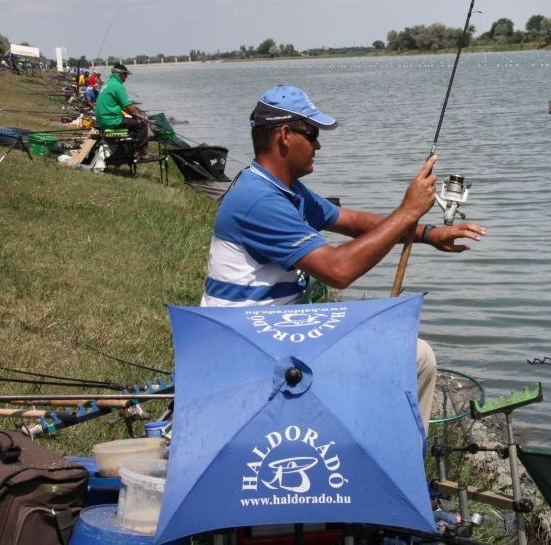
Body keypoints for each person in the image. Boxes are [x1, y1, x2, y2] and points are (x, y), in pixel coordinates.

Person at [200, 84, 486, 426]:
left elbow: (350, 221)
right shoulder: (260, 200)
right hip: (250, 351)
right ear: (286, 136)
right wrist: (407, 212)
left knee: (400, 348)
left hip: (272, 334)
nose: (318, 145)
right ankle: (400, 462)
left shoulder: (283, 189)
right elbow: (338, 270)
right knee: (416, 356)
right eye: (312, 133)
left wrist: (428, 233)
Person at [94, 63, 151, 156]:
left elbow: (125, 106)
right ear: (119, 74)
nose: (126, 77)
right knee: (142, 124)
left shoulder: (108, 83)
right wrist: (140, 116)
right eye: (125, 74)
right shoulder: (117, 85)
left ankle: (131, 148)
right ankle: (142, 152)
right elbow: (128, 106)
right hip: (111, 121)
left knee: (133, 121)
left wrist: (133, 114)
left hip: (102, 120)